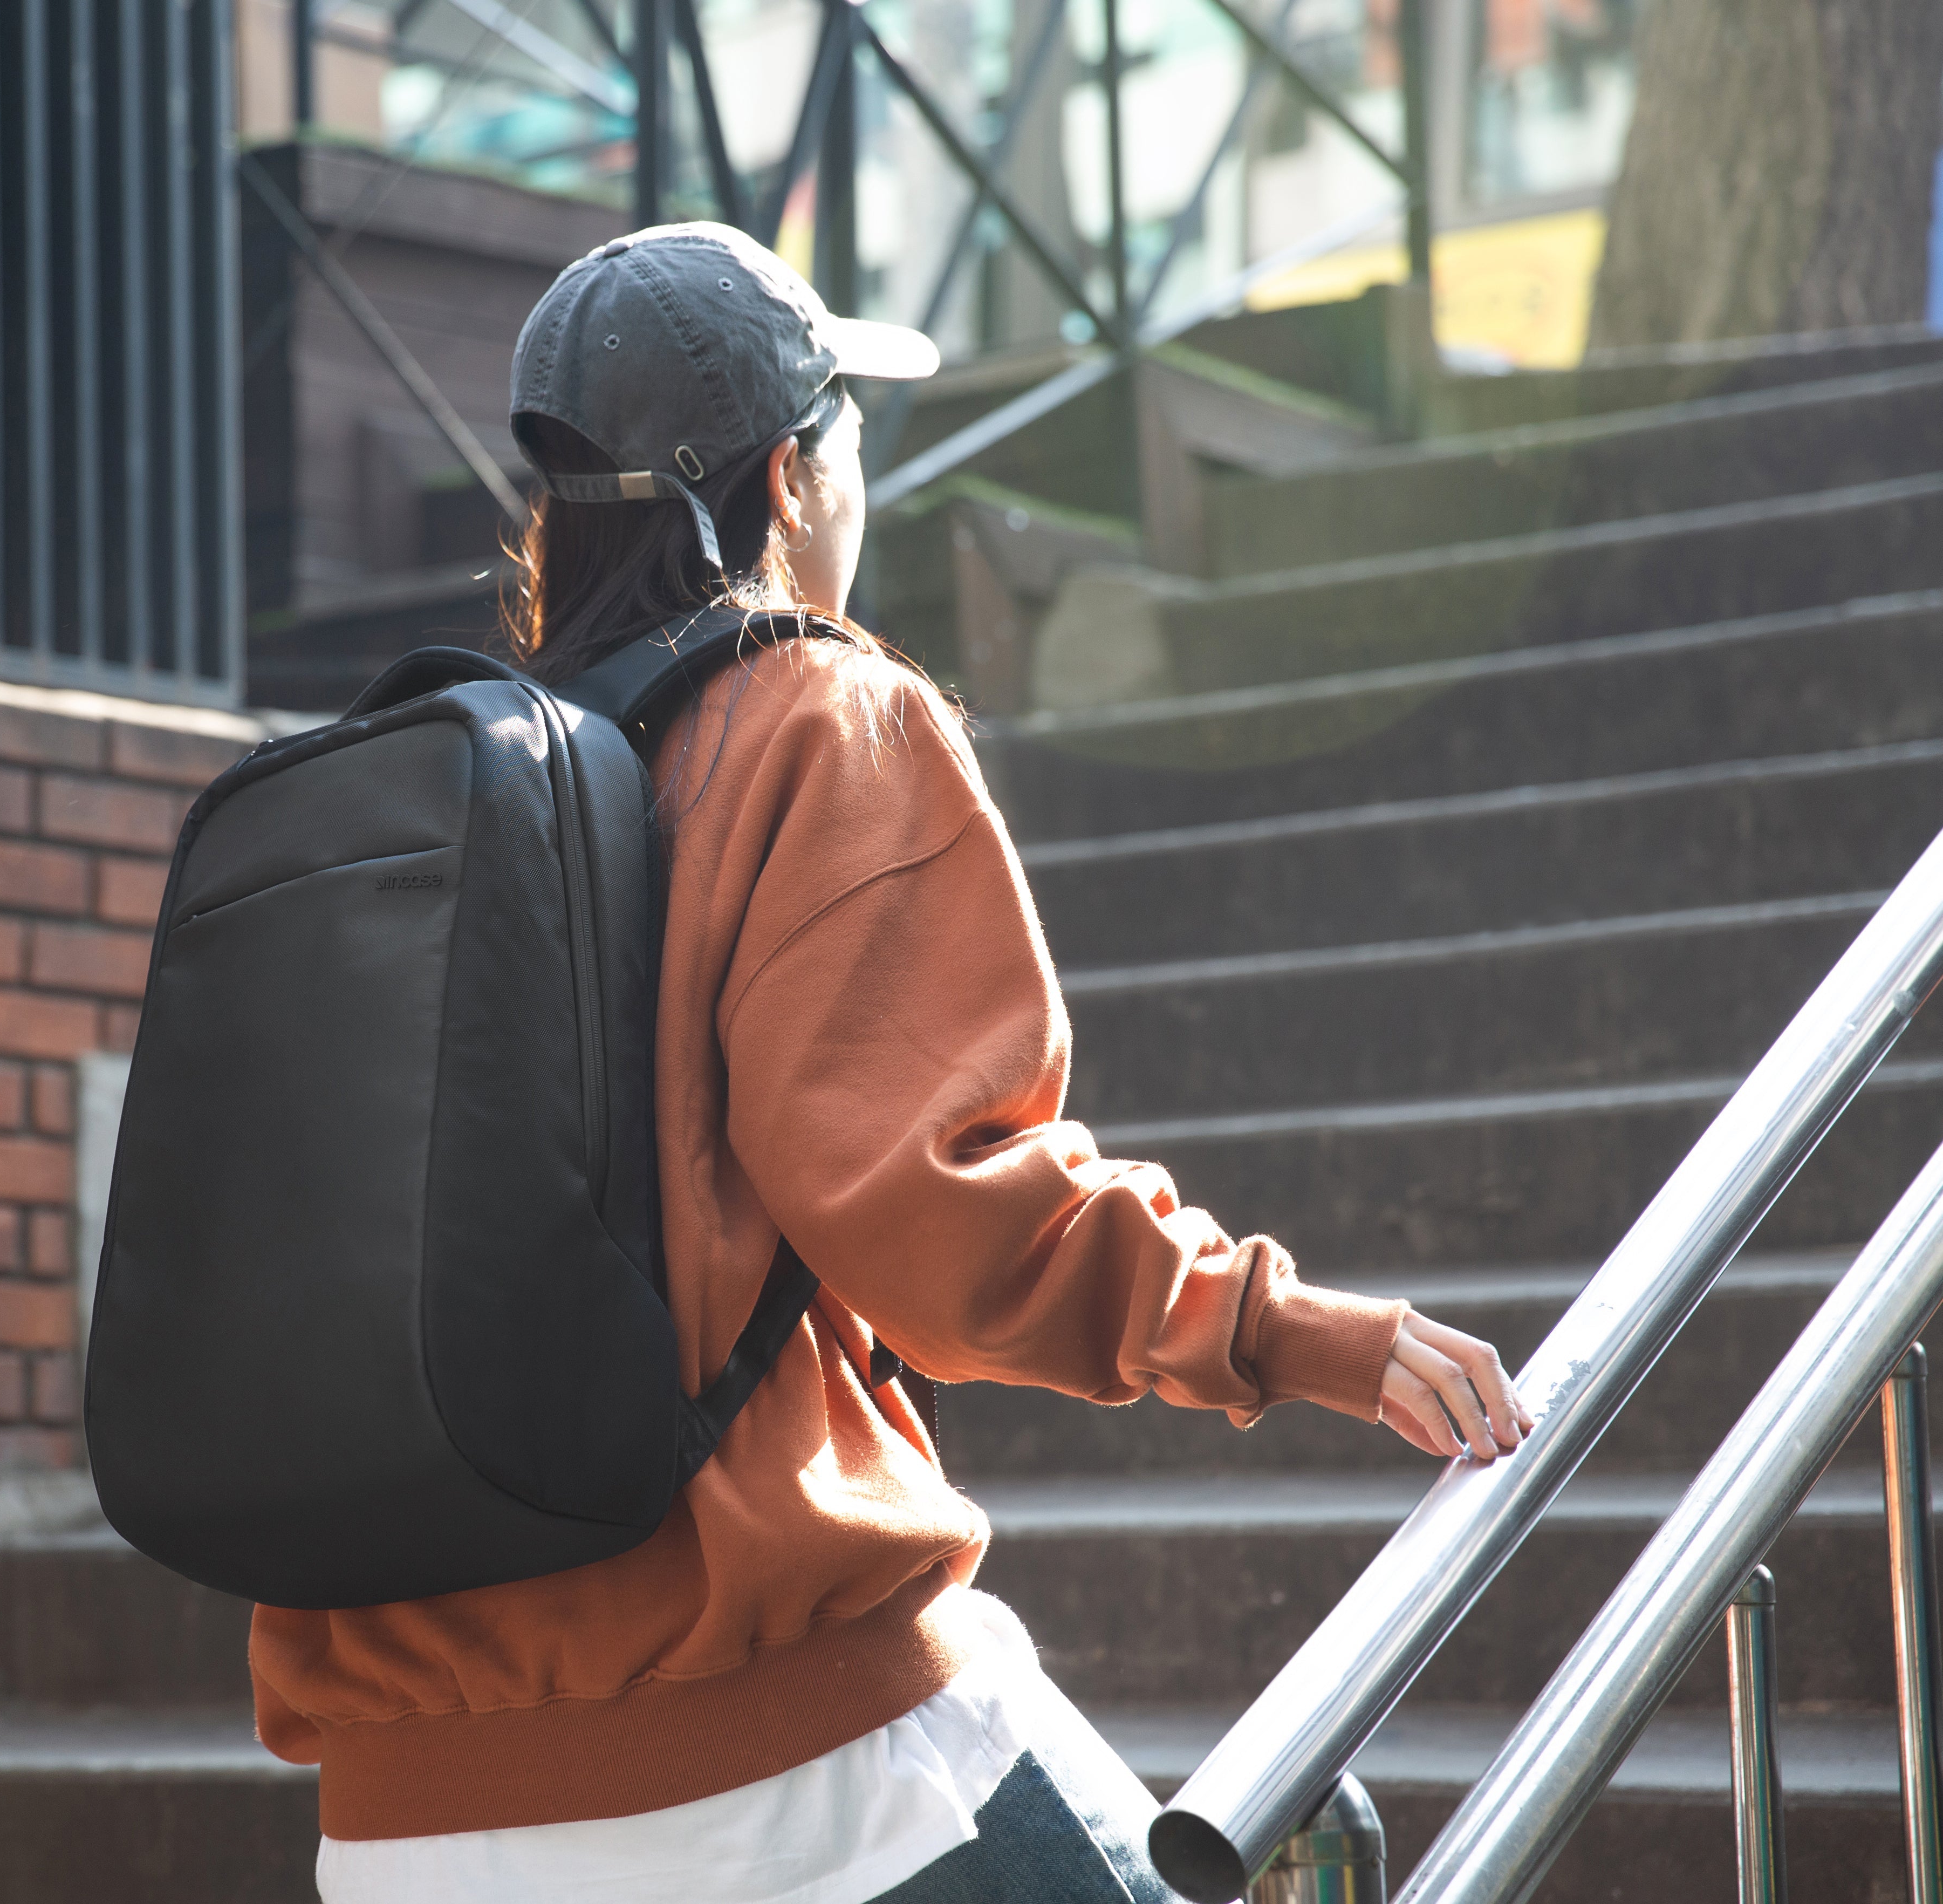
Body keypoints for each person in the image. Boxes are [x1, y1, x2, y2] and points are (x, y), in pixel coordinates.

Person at [250, 222, 1532, 1904]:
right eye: (852, 434)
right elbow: (947, 1216)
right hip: (787, 1772)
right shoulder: (815, 719)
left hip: (399, 1816)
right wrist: (1288, 1328)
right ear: (788, 479)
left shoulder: (441, 787)